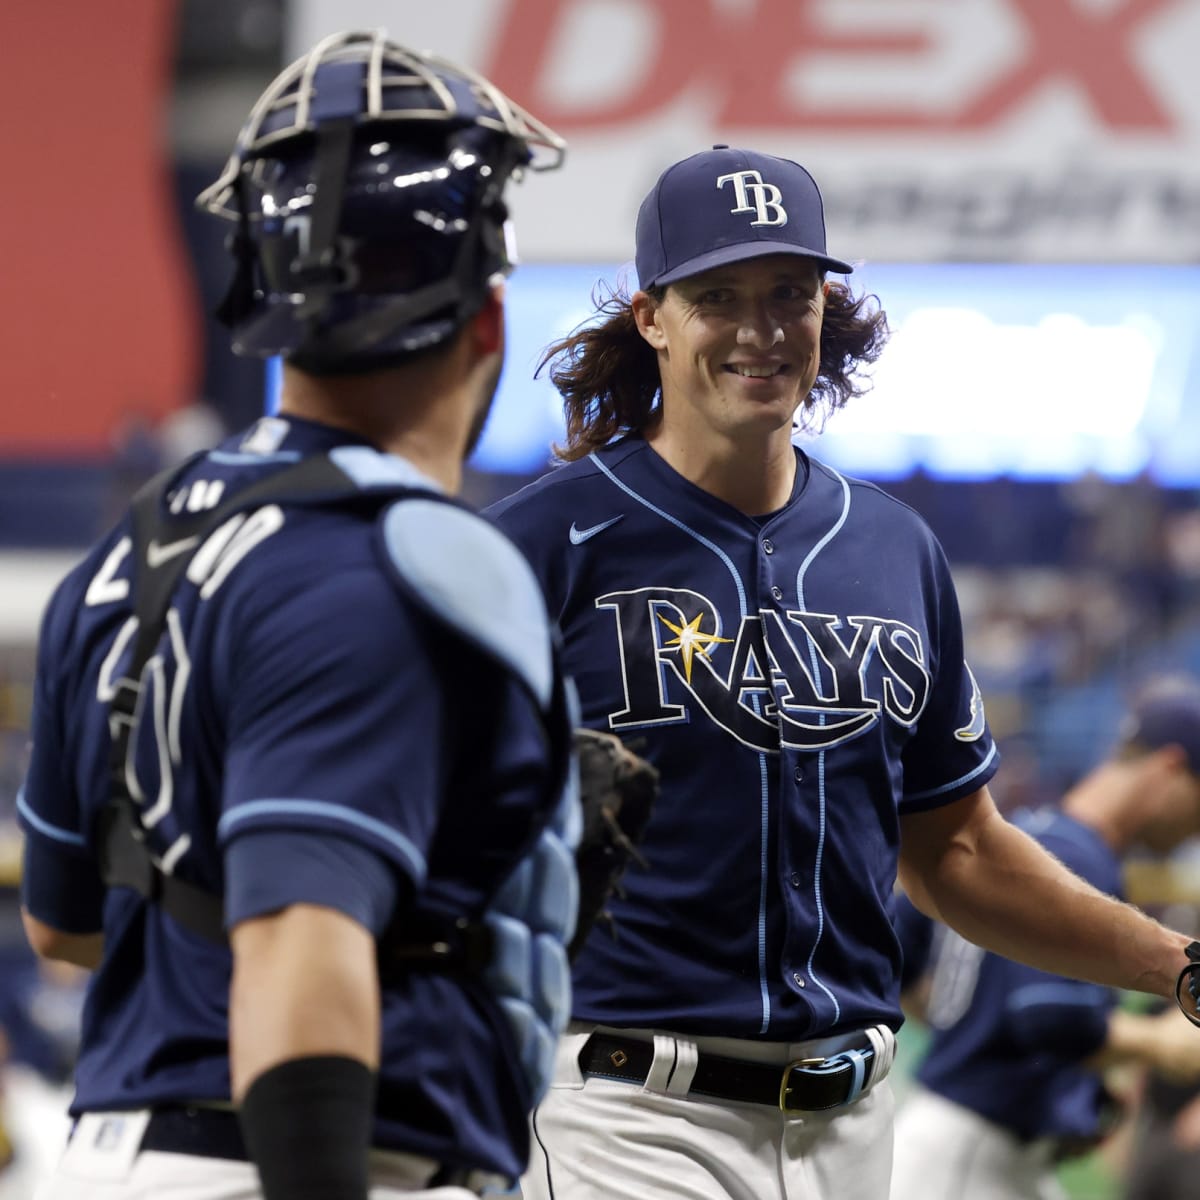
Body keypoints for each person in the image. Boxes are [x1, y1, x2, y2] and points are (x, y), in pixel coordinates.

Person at [484, 144, 1200, 1200]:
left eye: (789, 293)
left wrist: (1176, 966)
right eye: (718, 296)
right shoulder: (547, 542)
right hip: (626, 1116)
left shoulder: (893, 549)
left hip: (855, 1131)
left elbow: (956, 851)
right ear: (652, 317)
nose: (761, 329)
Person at [16, 31, 577, 1200]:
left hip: (126, 1148)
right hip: (305, 1160)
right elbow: (296, 945)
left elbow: (66, 928)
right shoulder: (384, 571)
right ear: (488, 319)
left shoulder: (133, 548)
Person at [890, 676, 1200, 1200]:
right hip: (970, 1154)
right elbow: (1052, 1017)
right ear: (1167, 770)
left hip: (968, 1139)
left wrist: (979, 1035)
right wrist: (1162, 1042)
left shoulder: (1027, 835)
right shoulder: (1076, 859)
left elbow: (900, 952)